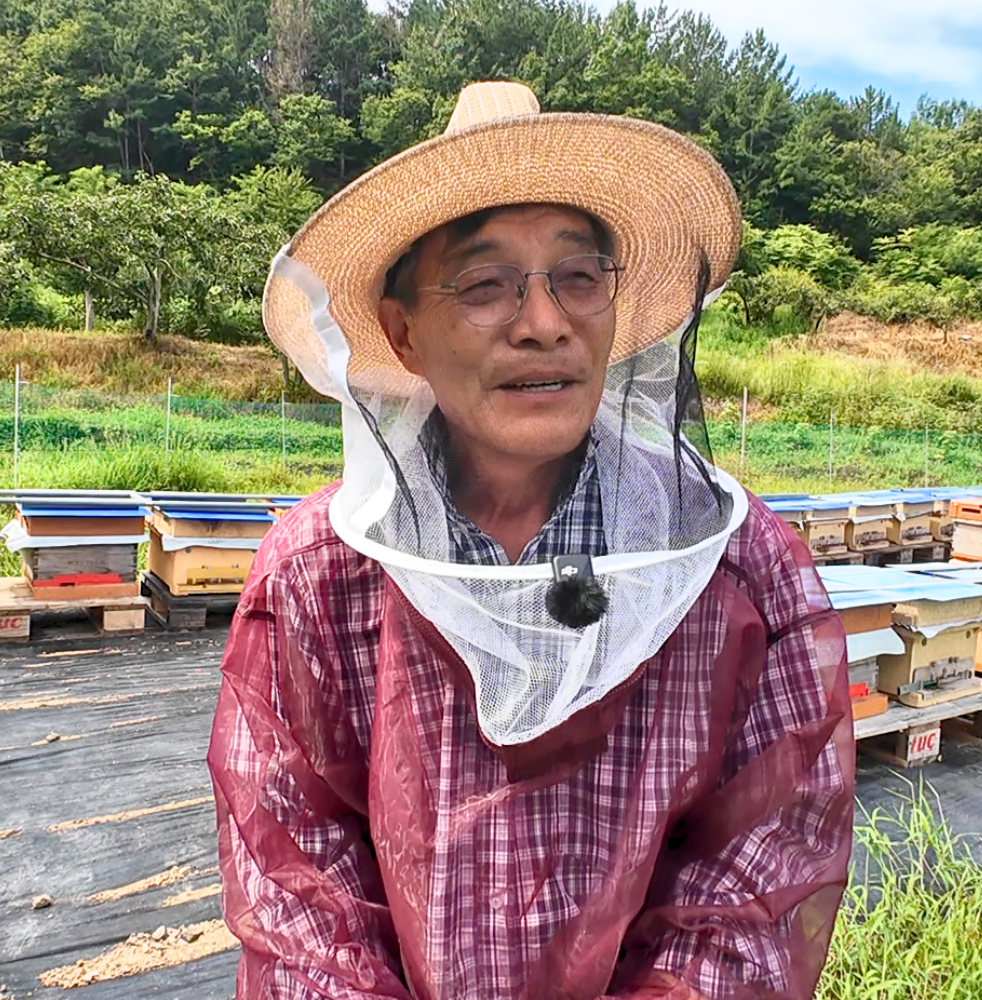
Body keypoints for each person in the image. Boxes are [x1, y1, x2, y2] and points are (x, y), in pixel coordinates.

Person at [208, 81, 854, 1000]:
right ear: (402, 332)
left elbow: (758, 871)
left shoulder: (740, 564)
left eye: (579, 278)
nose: (545, 324)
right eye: (484, 285)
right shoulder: (318, 573)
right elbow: (298, 882)